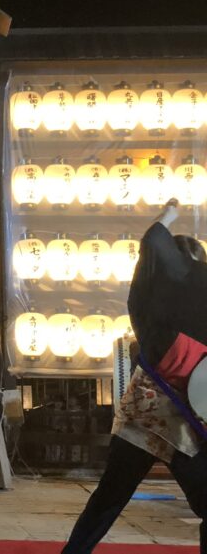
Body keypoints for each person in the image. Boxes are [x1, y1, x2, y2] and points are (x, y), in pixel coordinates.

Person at [62, 198, 207, 553]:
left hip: (143, 413)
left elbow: (153, 244)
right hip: (187, 420)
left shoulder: (148, 296)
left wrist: (164, 220)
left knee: (109, 497)